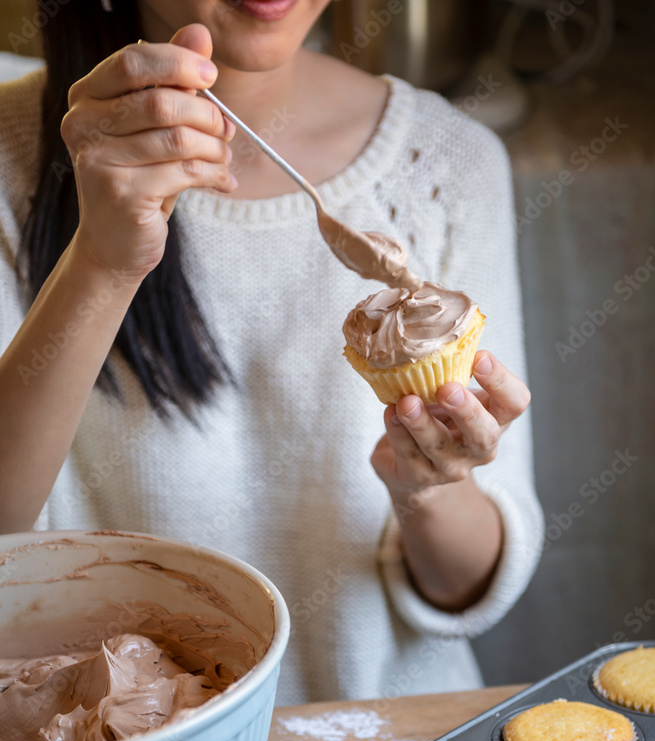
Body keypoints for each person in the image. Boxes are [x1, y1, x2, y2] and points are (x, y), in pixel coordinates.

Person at [0, 0, 543, 705]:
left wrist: (429, 488)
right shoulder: (11, 156)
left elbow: (471, 583)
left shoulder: (449, 161)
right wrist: (102, 262)